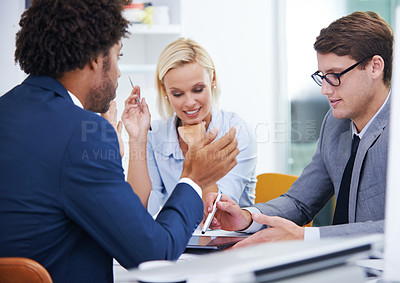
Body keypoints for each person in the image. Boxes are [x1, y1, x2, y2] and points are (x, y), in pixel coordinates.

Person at [0, 1, 239, 282]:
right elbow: (154, 256)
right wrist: (193, 179)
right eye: (118, 56)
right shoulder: (85, 134)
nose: (118, 74)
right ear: (96, 59)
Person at [206, 11, 392, 247]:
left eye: (335, 76)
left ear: (375, 67)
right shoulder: (334, 124)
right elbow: (299, 201)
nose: (325, 89)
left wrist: (306, 237)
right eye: (322, 76)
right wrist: (246, 218)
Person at [126, 38, 257, 216]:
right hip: (178, 241)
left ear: (213, 80)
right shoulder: (154, 134)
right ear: (165, 92)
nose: (189, 103)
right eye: (178, 94)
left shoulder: (238, 132)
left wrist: (197, 147)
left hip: (228, 241)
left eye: (197, 90)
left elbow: (215, 217)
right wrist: (137, 139)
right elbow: (137, 212)